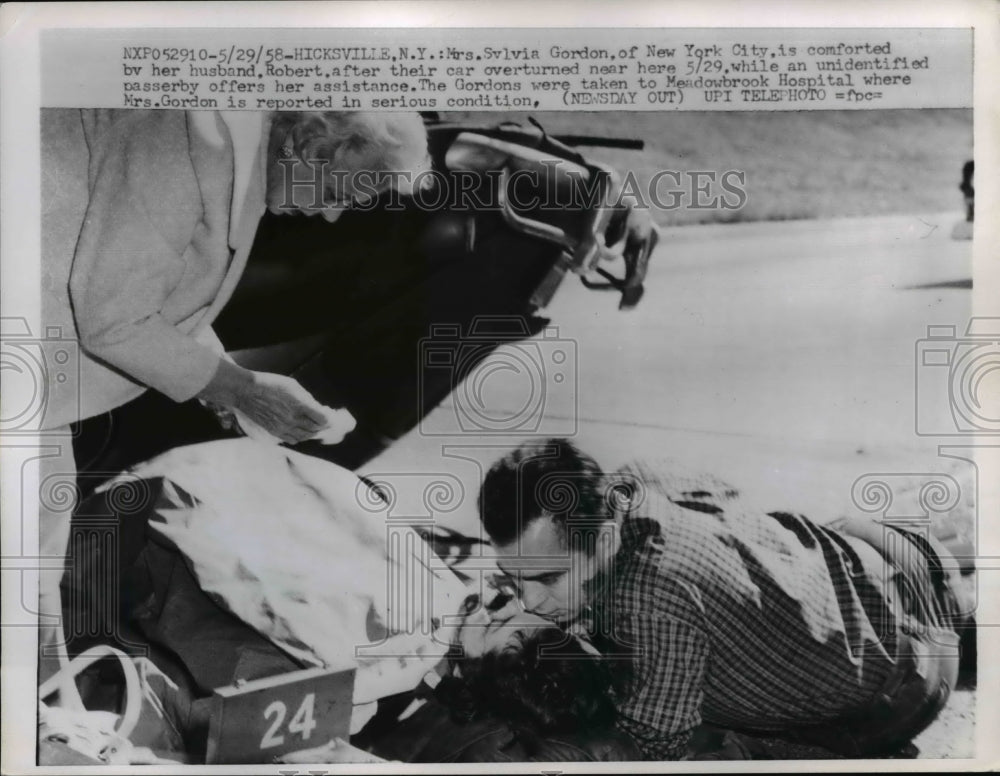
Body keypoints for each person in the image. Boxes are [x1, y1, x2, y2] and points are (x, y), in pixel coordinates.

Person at [37, 109, 430, 699]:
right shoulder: (195, 137)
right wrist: (237, 388)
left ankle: (49, 717)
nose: (328, 213)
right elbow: (114, 319)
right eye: (333, 191)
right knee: (27, 549)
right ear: (309, 141)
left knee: (34, 549)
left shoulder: (227, 149)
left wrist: (233, 389)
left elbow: (154, 293)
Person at [476, 438, 974, 760]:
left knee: (697, 739)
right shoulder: (640, 475)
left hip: (906, 682)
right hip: (881, 561)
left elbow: (654, 745)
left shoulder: (647, 603)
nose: (530, 600)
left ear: (605, 539)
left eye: (546, 578)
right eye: (514, 579)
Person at [283, 598, 640, 764]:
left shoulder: (478, 739)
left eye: (494, 624)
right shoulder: (451, 671)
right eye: (517, 612)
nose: (505, 604)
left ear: (478, 673)